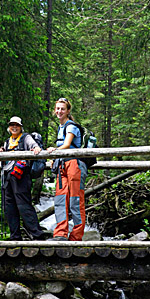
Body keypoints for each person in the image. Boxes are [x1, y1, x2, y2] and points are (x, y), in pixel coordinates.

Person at [44, 98, 88, 241]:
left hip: (74, 165)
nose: (59, 111)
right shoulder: (61, 127)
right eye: (57, 108)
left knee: (75, 200)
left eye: (62, 109)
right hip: (63, 166)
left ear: (68, 111)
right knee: (60, 199)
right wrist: (54, 159)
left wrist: (54, 150)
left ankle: (76, 236)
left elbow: (68, 144)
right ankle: (60, 234)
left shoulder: (71, 126)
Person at [0, 116, 47, 241]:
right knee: (9, 206)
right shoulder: (7, 141)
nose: (14, 127)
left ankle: (37, 234)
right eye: (12, 125)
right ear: (9, 127)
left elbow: (34, 146)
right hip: (8, 175)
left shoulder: (26, 138)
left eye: (17, 125)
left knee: (23, 205)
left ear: (21, 127)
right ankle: (15, 236)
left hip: (21, 176)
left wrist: (36, 148)